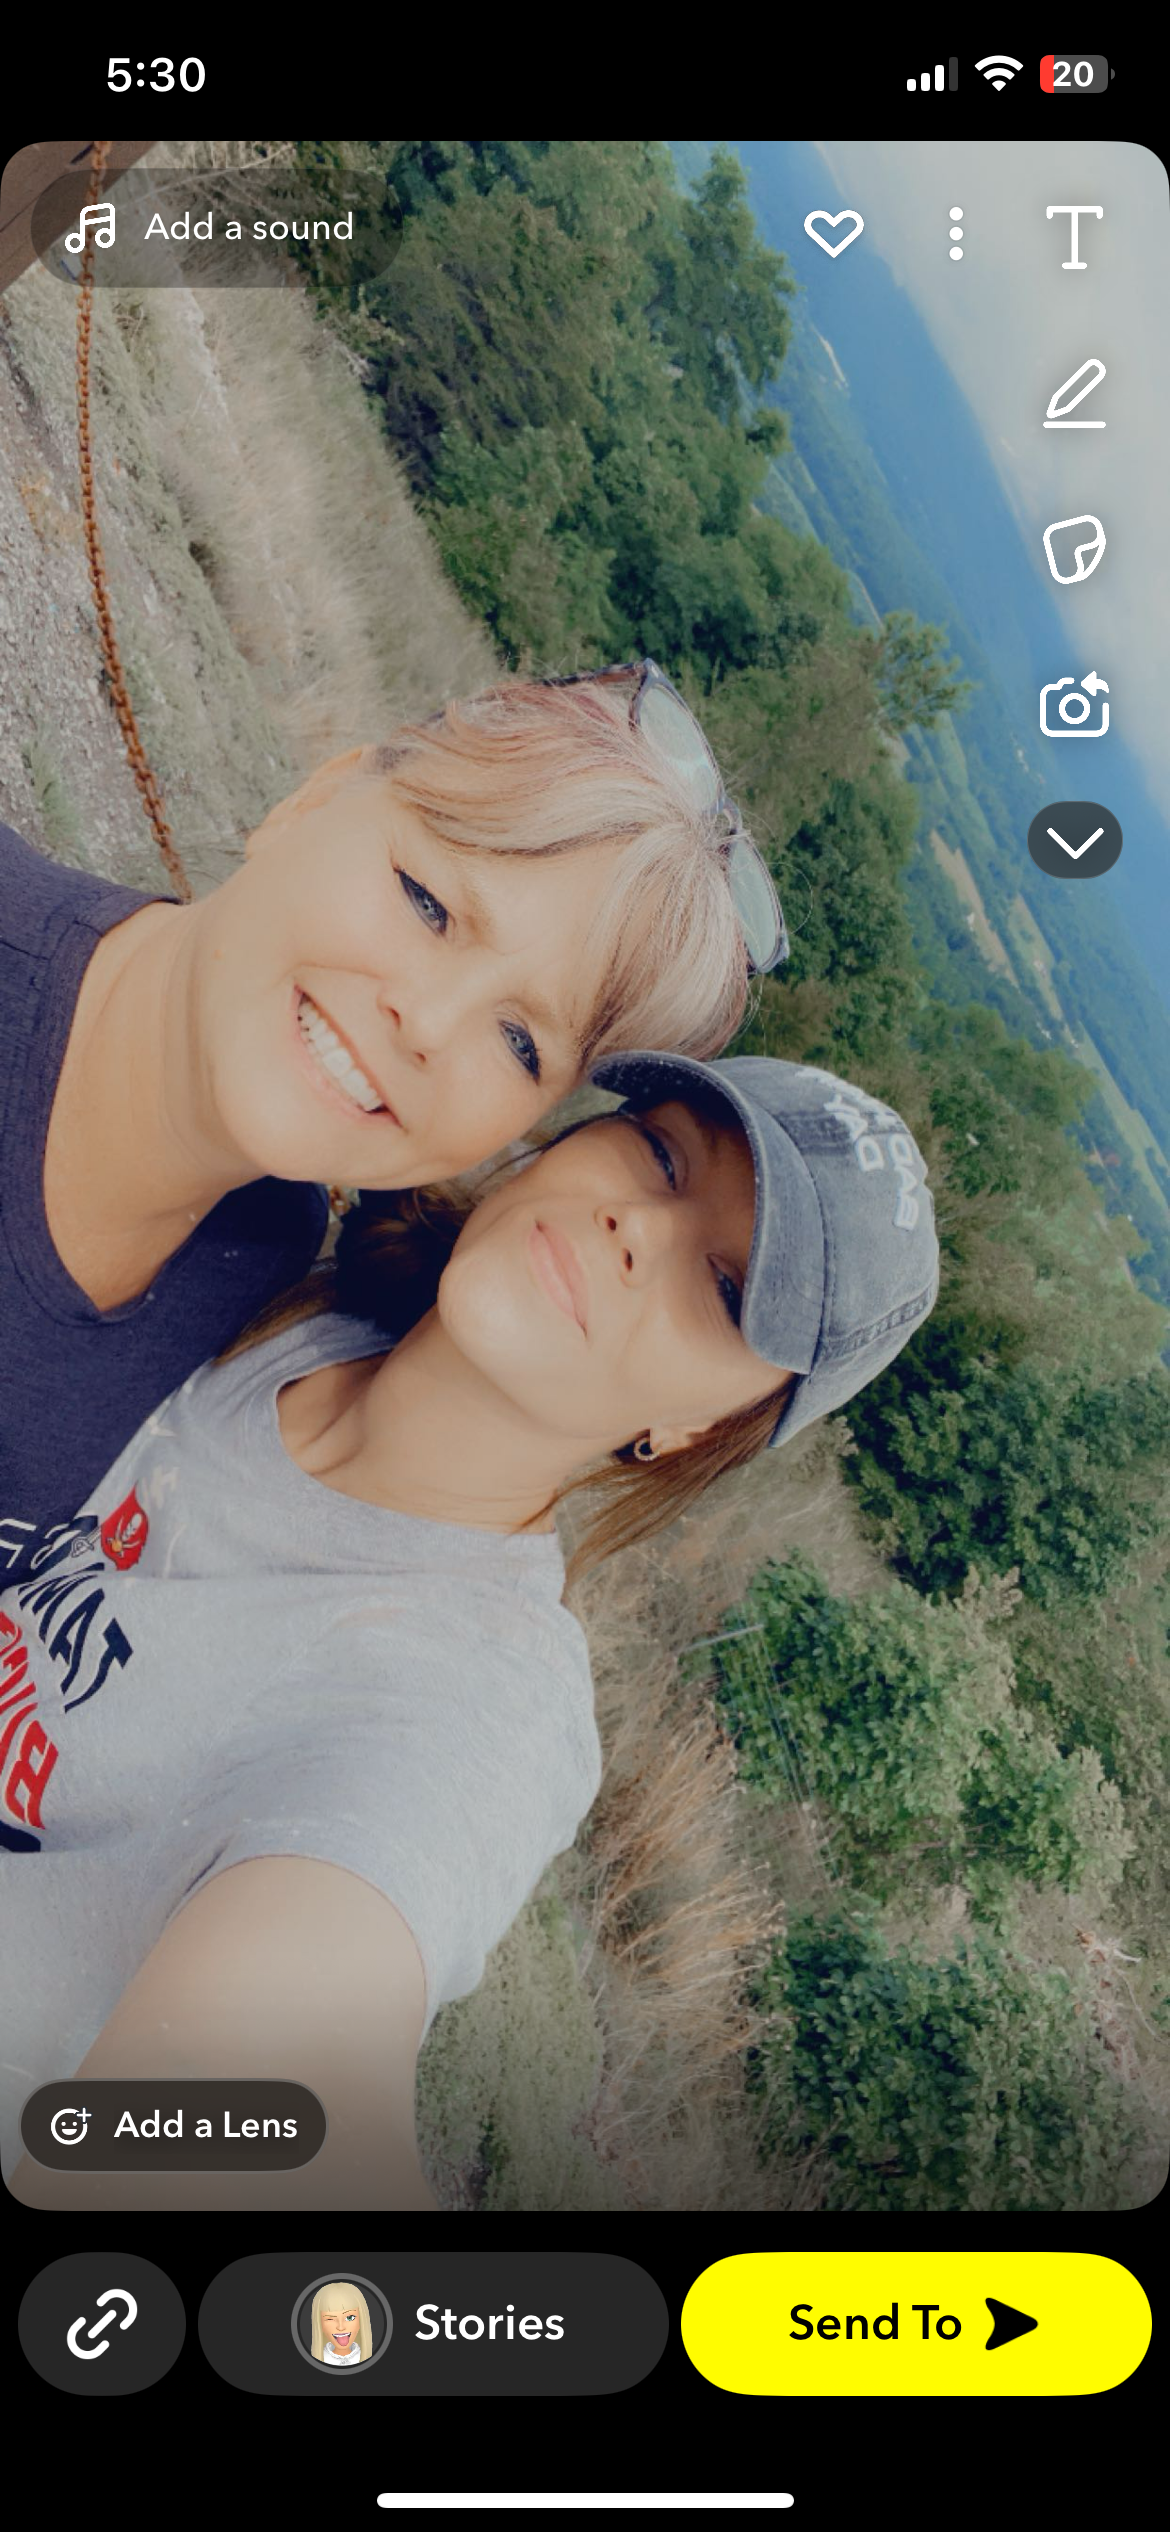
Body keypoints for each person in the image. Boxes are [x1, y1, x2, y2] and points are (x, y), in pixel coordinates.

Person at [2, 1051, 938, 2211]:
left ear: (697, 1428)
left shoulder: (472, 1708)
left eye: (728, 1286)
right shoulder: (265, 1278)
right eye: (658, 1153)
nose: (635, 1224)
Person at [0, 663, 783, 1587]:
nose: (429, 1022)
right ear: (313, 796)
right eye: (428, 903)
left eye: (522, 1044)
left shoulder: (265, 1259)